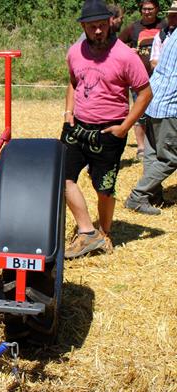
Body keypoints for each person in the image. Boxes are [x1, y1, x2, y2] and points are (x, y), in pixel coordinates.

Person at [62, 0, 153, 259]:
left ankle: (104, 233)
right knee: (62, 178)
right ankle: (87, 231)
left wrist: (125, 127)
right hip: (76, 126)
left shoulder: (126, 56)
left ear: (110, 24)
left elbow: (145, 93)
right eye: (92, 27)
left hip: (109, 131)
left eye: (102, 25)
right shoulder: (74, 51)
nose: (99, 31)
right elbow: (72, 81)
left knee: (104, 187)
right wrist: (68, 111)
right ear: (84, 27)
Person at [124, 32, 177, 215]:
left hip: (154, 98)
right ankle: (138, 196)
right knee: (171, 157)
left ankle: (153, 196)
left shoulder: (174, 34)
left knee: (153, 152)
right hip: (170, 104)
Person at [119, 0, 166, 160]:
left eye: (150, 9)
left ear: (157, 9)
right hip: (138, 78)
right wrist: (128, 49)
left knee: (160, 112)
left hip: (161, 78)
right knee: (140, 113)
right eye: (144, 9)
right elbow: (117, 43)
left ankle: (158, 145)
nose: (147, 12)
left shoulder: (164, 25)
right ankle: (141, 147)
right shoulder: (133, 28)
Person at [150, 1, 177, 69]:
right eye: (169, 16)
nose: (171, 19)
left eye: (174, 16)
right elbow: (153, 63)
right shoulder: (161, 36)